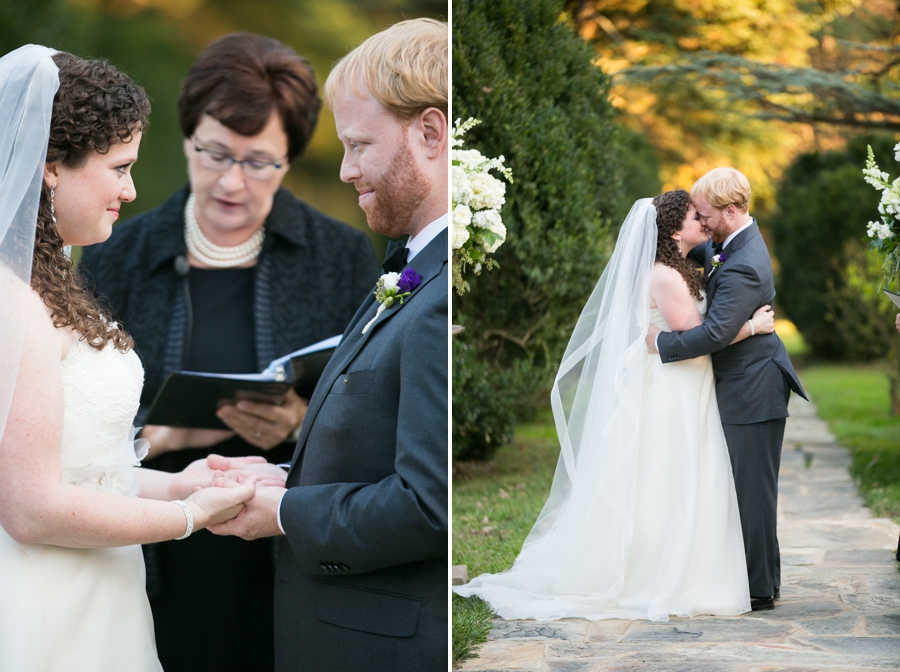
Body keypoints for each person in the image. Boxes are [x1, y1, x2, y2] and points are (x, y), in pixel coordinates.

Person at [77, 33, 380, 671]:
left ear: (290, 160)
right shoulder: (116, 255)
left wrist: (299, 421)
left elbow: (373, 410)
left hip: (286, 544)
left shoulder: (343, 256)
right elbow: (78, 421)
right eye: (214, 153)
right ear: (187, 138)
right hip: (159, 543)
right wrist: (160, 432)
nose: (231, 181)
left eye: (258, 161)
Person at [0, 45, 276, 672]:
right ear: (50, 168)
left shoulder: (50, 283)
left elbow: (84, 470)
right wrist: (185, 516)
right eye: (119, 167)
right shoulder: (12, 302)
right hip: (44, 603)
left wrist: (182, 482)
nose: (129, 189)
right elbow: (28, 506)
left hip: (101, 593)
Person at [210, 18, 448, 671]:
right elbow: (378, 453)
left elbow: (430, 505)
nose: (344, 170)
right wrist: (285, 476)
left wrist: (285, 512)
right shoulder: (410, 267)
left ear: (431, 133)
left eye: (359, 145)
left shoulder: (443, 292)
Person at [455, 191, 775, 621]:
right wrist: (753, 326)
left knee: (678, 475)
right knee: (667, 476)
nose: (704, 222)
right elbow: (700, 342)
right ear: (675, 229)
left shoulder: (684, 265)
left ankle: (688, 566)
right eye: (696, 217)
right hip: (673, 386)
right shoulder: (665, 275)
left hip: (682, 383)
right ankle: (656, 575)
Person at [647, 168, 808, 611]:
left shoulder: (745, 263)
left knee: (753, 492)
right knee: (748, 488)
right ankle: (763, 581)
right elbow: (686, 258)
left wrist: (661, 343)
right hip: (741, 382)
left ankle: (759, 591)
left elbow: (716, 334)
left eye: (705, 213)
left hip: (753, 387)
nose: (700, 221)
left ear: (731, 211)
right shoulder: (725, 244)